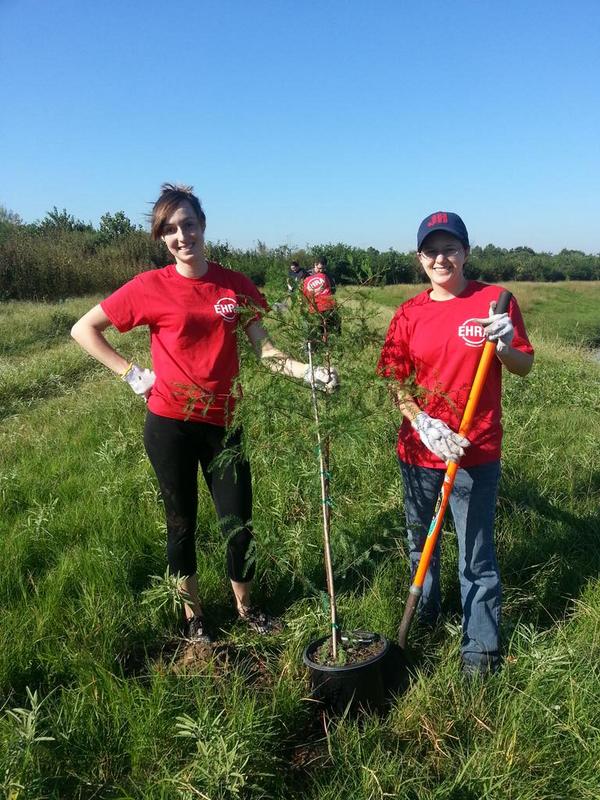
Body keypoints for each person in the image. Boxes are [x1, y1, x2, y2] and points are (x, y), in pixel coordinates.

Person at [71, 183, 338, 645]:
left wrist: (306, 371)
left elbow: (266, 350)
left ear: (203, 224)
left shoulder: (235, 285)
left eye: (188, 224)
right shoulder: (148, 286)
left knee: (237, 523)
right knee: (182, 524)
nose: (181, 236)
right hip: (169, 424)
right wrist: (132, 373)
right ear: (162, 238)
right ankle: (194, 617)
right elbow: (84, 329)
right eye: (170, 230)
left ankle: (245, 607)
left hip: (224, 424)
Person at [377, 211, 534, 676]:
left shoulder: (496, 302)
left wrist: (505, 346)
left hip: (475, 451)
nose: (440, 258)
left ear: (466, 252)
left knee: (476, 554)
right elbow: (393, 379)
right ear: (420, 257)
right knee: (420, 544)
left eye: (450, 248)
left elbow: (523, 366)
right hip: (420, 451)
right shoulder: (408, 312)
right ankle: (423, 618)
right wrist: (421, 421)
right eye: (431, 250)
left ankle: (479, 650)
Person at [301, 255, 340, 340]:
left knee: (334, 326)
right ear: (315, 264)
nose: (321, 270)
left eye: (323, 268)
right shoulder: (306, 275)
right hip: (312, 307)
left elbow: (333, 290)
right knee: (313, 330)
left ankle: (332, 346)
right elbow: (302, 291)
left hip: (327, 306)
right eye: (319, 268)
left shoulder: (327, 275)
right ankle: (311, 349)